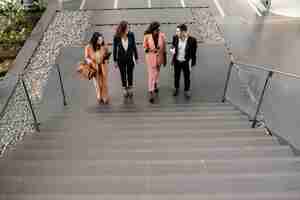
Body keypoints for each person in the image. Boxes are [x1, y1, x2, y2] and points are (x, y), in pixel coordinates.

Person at [170, 24, 197, 98]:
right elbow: (173, 46)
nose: (176, 33)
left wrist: (192, 63)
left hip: (186, 62)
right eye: (176, 31)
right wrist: (172, 49)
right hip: (177, 61)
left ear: (183, 32)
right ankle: (176, 88)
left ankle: (187, 90)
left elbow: (194, 53)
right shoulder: (175, 37)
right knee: (176, 76)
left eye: (178, 31)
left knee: (187, 77)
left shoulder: (192, 40)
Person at [113, 21, 139, 98]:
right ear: (123, 28)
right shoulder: (116, 37)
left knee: (130, 73)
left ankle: (130, 87)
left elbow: (134, 46)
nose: (129, 29)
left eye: (129, 27)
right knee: (123, 74)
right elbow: (115, 49)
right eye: (127, 28)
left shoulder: (131, 35)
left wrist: (136, 57)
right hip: (120, 59)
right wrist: (115, 61)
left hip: (130, 58)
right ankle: (124, 88)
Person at [143, 21, 167, 103]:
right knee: (151, 75)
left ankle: (155, 83)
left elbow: (164, 48)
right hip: (150, 58)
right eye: (156, 28)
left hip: (159, 58)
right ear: (153, 29)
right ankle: (151, 92)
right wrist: (150, 49)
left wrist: (165, 59)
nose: (158, 30)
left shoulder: (162, 35)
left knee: (157, 73)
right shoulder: (147, 36)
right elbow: (144, 47)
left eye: (158, 28)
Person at [84, 32, 111, 104]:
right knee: (97, 83)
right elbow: (86, 57)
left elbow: (107, 53)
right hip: (94, 66)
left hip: (103, 65)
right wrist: (89, 61)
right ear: (95, 40)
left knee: (104, 82)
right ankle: (99, 94)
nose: (101, 41)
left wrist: (107, 59)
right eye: (99, 40)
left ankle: (105, 96)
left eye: (102, 39)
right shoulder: (88, 47)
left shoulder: (104, 46)